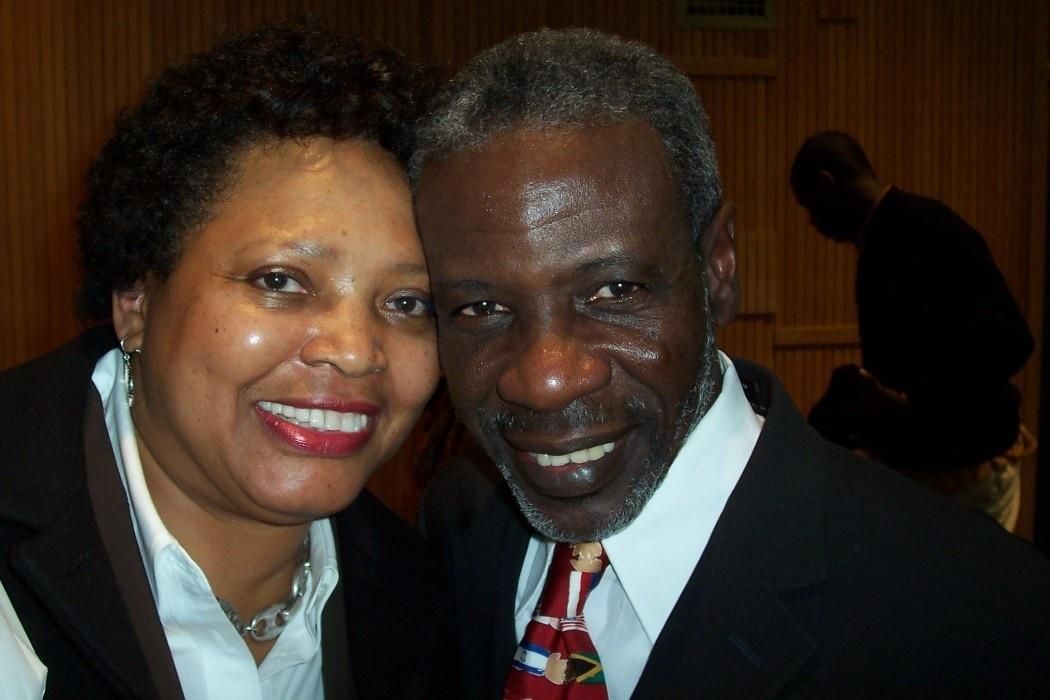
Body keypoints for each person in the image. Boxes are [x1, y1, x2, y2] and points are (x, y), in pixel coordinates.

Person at [410, 28, 1050, 697]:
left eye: (614, 290)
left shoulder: (984, 621)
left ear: (718, 268)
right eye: (480, 308)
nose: (543, 379)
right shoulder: (456, 535)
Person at [0, 21, 452, 698]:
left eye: (410, 303)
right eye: (279, 281)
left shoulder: (426, 603)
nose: (356, 351)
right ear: (136, 296)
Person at [791, 131, 1035, 530]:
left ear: (826, 183)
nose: (814, 224)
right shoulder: (883, 237)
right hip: (929, 466)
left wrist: (909, 400)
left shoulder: (930, 230)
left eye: (811, 208)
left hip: (967, 469)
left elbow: (1011, 343)